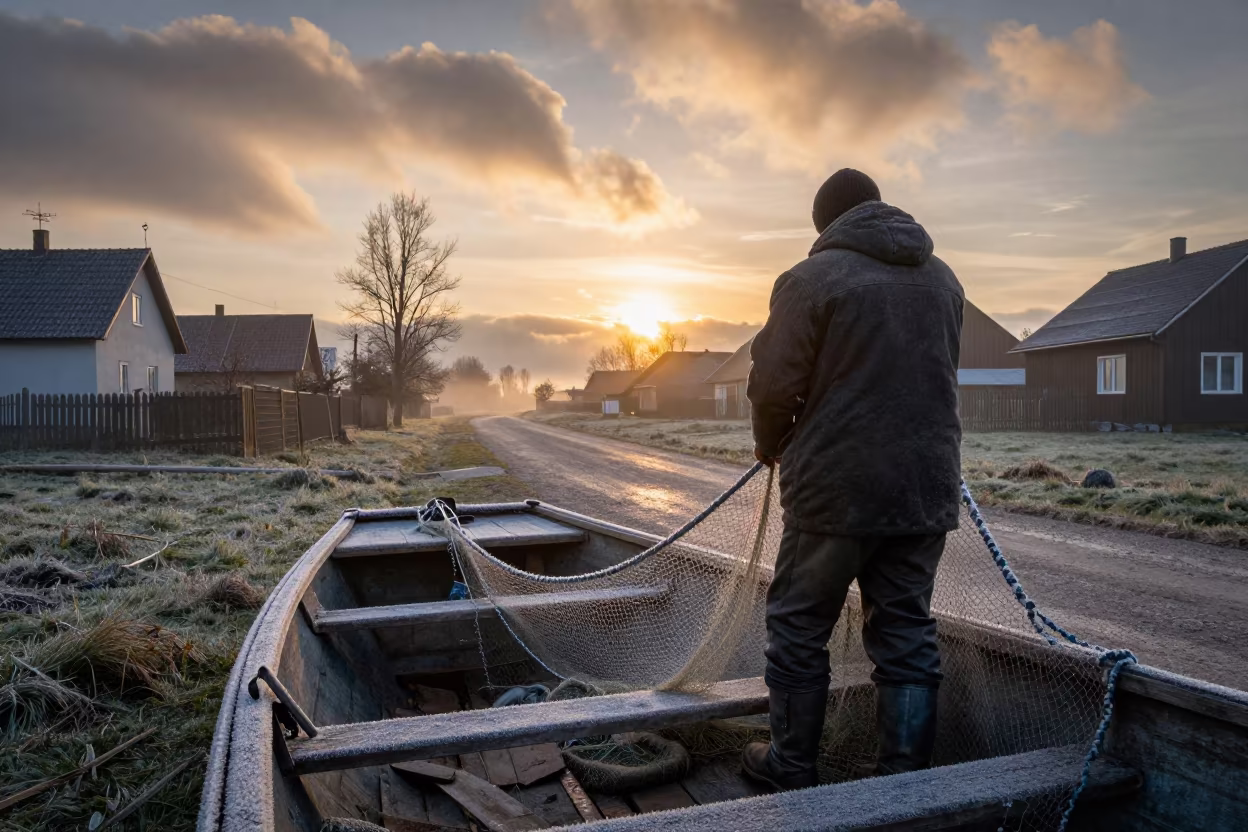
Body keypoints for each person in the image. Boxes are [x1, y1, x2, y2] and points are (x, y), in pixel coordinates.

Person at [740, 168, 964, 791]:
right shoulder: (944, 279)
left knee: (798, 625)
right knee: (906, 627)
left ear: (825, 225)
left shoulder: (809, 280)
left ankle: (790, 765)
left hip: (835, 491)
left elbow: (773, 385)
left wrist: (769, 446)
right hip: (925, 488)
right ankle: (903, 779)